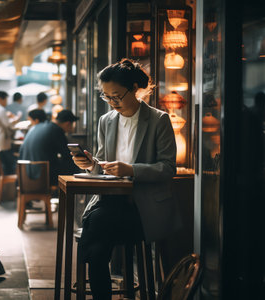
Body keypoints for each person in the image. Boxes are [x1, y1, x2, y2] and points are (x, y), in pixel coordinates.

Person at [71, 58, 179, 300]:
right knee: (97, 249)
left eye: (117, 96)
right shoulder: (106, 121)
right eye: (106, 97)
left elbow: (167, 168)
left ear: (134, 89)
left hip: (143, 207)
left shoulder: (159, 120)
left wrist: (131, 169)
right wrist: (91, 165)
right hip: (111, 203)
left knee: (94, 232)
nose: (112, 102)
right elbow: (102, 165)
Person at [19, 109, 81, 186]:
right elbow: (67, 154)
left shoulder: (37, 127)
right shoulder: (56, 130)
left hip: (25, 175)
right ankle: (73, 195)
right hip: (40, 177)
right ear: (68, 123)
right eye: (73, 124)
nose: (72, 127)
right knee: (74, 164)